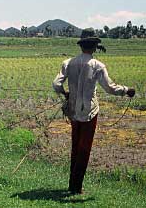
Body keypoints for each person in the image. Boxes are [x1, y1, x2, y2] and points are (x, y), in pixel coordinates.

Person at [52, 28, 135, 195]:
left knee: (76, 146)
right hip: (90, 112)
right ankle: (76, 187)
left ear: (81, 45)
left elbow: (56, 84)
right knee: (84, 148)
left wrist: (65, 93)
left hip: (74, 111)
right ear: (95, 47)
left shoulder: (68, 63)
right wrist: (126, 90)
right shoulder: (98, 65)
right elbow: (110, 88)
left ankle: (72, 184)